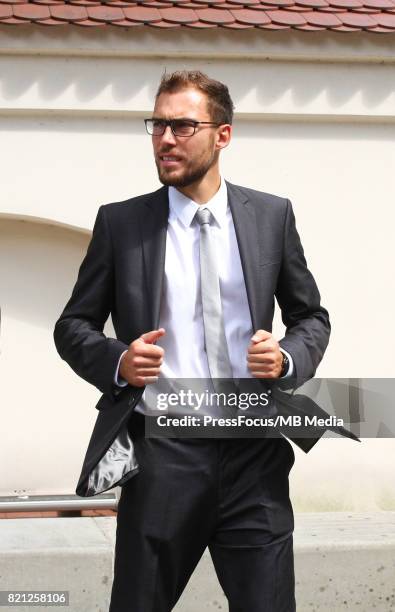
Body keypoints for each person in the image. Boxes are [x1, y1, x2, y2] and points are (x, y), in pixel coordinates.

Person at [54, 70, 330, 612]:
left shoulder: (271, 217)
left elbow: (311, 317)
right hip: (162, 454)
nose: (164, 139)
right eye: (157, 125)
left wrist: (286, 357)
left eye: (182, 126)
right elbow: (73, 326)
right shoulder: (122, 223)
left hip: (254, 454)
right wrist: (119, 361)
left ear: (222, 135)